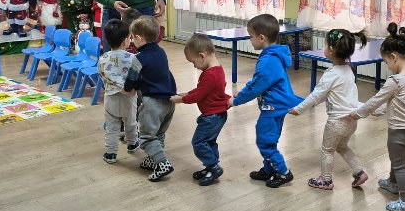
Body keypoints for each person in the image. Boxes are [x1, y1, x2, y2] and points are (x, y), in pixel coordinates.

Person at [349, 23, 405, 211]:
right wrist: (377, 112)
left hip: (398, 132)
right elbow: (400, 102)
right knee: (397, 159)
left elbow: (376, 100)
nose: (388, 66)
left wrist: (358, 113)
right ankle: (393, 183)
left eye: (386, 62)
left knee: (399, 165)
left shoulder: (395, 81)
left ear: (393, 57)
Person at [290, 28, 369, 190]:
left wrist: (298, 109)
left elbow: (316, 96)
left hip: (336, 123)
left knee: (327, 151)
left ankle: (326, 180)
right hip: (351, 122)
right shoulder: (349, 70)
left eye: (325, 45)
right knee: (342, 147)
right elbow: (328, 96)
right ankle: (359, 172)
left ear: (331, 50)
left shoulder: (331, 74)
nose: (324, 48)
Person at [229, 14, 303, 188]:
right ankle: (269, 169)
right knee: (269, 139)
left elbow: (256, 86)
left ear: (261, 38)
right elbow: (258, 82)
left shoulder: (268, 60)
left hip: (273, 107)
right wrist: (241, 93)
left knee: (265, 141)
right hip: (274, 106)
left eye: (251, 36)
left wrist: (236, 101)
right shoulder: (272, 55)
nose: (250, 39)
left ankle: (283, 172)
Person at [171, 34, 231, 186]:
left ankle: (214, 167)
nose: (194, 66)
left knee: (198, 142)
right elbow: (203, 90)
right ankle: (211, 167)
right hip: (217, 115)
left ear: (202, 56)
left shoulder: (210, 74)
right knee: (209, 142)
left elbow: (199, 95)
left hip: (211, 117)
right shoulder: (217, 69)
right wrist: (187, 93)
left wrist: (181, 99)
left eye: (193, 62)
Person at [124, 16, 177, 182]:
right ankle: (153, 160)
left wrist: (127, 89)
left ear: (139, 38)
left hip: (152, 103)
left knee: (146, 137)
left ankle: (162, 163)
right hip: (169, 101)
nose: (132, 41)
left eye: (133, 38)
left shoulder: (138, 58)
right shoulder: (161, 52)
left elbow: (131, 79)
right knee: (159, 133)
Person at [97, 19, 140, 164]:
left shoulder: (103, 58)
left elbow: (101, 74)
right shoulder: (133, 58)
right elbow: (138, 76)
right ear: (125, 41)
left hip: (110, 98)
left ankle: (111, 153)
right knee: (131, 123)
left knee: (112, 127)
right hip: (129, 98)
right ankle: (132, 144)